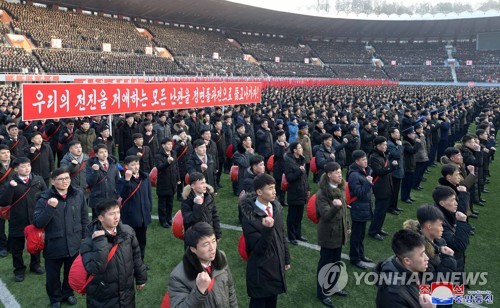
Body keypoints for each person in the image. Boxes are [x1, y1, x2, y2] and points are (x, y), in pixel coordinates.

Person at [33, 168, 89, 308]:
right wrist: (50, 208)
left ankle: (68, 293)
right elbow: (38, 222)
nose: (65, 182)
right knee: (53, 276)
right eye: (61, 179)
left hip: (74, 242)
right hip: (53, 244)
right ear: (53, 181)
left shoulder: (78, 194)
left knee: (71, 272)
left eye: (67, 178)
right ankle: (55, 298)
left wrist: (84, 237)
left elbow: (84, 218)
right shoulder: (44, 198)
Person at [80, 199, 147, 307]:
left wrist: (141, 278)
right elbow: (95, 269)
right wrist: (100, 240)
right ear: (101, 218)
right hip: (103, 298)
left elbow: (136, 256)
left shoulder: (128, 232)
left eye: (118, 212)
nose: (116, 217)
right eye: (111, 214)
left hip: (127, 295)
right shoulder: (89, 241)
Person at [239, 173, 290, 308]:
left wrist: (286, 257)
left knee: (272, 302)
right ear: (259, 192)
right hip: (260, 270)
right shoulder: (249, 218)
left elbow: (281, 234)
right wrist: (267, 229)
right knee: (259, 303)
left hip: (276, 266)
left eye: (274, 188)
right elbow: (258, 248)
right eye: (270, 188)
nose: (274, 191)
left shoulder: (276, 207)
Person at [168, 222, 238, 307]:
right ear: (193, 249)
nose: (212, 248)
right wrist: (199, 291)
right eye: (206, 244)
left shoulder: (221, 256)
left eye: (213, 241)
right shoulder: (178, 276)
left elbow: (230, 290)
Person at [0, 157, 47, 282]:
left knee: (36, 244)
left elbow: (46, 195)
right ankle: (19, 270)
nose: (27, 168)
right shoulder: (10, 183)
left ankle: (35, 265)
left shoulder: (38, 180)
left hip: (35, 219)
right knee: (17, 248)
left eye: (28, 165)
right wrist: (10, 187)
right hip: (17, 220)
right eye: (23, 166)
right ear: (16, 169)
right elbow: (3, 202)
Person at [315, 162, 350, 307]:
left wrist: (347, 226)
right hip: (328, 235)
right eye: (336, 172)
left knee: (336, 263)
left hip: (339, 233)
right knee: (326, 264)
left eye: (340, 172)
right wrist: (335, 207)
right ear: (329, 174)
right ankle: (322, 293)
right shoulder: (322, 193)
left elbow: (345, 212)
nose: (340, 174)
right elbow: (326, 215)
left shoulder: (340, 188)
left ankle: (333, 286)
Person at [375, 229, 434, 308]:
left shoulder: (412, 268)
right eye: (422, 254)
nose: (427, 258)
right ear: (407, 260)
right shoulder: (392, 296)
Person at [405, 204, 457, 287]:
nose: (442, 229)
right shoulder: (422, 252)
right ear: (429, 226)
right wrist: (449, 258)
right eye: (440, 225)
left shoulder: (439, 242)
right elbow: (437, 285)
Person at [117, 155, 153, 263]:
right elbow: (123, 194)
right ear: (127, 167)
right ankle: (130, 263)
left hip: (143, 215)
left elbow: (149, 194)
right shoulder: (121, 180)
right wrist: (127, 180)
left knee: (142, 241)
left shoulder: (145, 177)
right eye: (133, 165)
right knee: (130, 242)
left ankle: (140, 262)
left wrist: (148, 208)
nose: (136, 167)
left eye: (137, 164)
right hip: (130, 216)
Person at [432, 185, 471, 283]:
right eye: (453, 200)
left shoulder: (444, 212)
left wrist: (464, 194)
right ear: (442, 203)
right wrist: (462, 223)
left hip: (455, 264)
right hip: (449, 269)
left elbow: (459, 212)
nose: (456, 203)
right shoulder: (439, 221)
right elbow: (459, 245)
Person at [347, 150, 374, 270]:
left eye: (366, 159)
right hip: (358, 207)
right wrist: (368, 183)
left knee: (361, 234)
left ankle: (361, 255)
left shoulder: (363, 171)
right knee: (356, 235)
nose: (366, 161)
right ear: (357, 161)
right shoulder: (354, 175)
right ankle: (355, 258)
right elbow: (358, 192)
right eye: (363, 160)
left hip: (364, 207)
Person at [368, 136, 398, 241]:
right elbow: (379, 172)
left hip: (386, 185)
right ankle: (373, 231)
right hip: (380, 187)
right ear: (377, 146)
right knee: (379, 211)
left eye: (385, 144)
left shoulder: (383, 154)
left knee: (383, 210)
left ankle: (378, 228)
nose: (385, 146)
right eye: (383, 145)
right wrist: (391, 167)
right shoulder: (374, 157)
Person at [181, 172, 221, 242]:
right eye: (202, 183)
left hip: (209, 235)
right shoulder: (187, 201)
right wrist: (197, 205)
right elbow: (189, 221)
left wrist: (217, 234)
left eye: (205, 182)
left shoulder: (209, 197)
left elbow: (214, 216)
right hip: (194, 239)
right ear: (193, 186)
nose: (205, 185)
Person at [284, 141, 310, 245]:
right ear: (294, 150)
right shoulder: (288, 162)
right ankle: (291, 236)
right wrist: (299, 171)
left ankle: (298, 234)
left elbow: (305, 178)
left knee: (299, 216)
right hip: (294, 192)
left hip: (302, 192)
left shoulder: (301, 160)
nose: (301, 149)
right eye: (299, 148)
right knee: (292, 216)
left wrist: (307, 189)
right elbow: (289, 178)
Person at [86, 144, 120, 220]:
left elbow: (117, 181)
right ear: (96, 154)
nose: (104, 154)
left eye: (105, 151)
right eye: (101, 152)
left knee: (111, 220)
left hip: (112, 198)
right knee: (97, 221)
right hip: (97, 199)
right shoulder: (90, 165)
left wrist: (117, 194)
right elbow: (90, 182)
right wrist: (95, 172)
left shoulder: (113, 164)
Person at [155, 137, 180, 228]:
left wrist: (178, 178)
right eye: (168, 144)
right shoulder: (158, 156)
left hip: (172, 182)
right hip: (163, 183)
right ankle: (162, 220)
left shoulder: (173, 153)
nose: (170, 146)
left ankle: (169, 218)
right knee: (162, 204)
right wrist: (167, 162)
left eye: (171, 144)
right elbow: (160, 167)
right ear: (163, 145)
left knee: (170, 203)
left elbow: (176, 166)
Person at [0, 144, 15, 257]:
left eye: (8, 152)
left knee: (13, 223)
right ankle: (2, 246)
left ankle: (11, 245)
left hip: (14, 197)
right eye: (3, 153)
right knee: (0, 225)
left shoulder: (16, 164)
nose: (7, 154)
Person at [387, 127, 404, 215]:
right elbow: (397, 155)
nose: (398, 134)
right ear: (392, 134)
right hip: (394, 171)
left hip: (398, 169)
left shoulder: (395, 143)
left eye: (398, 133)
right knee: (393, 190)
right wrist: (400, 146)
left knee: (397, 190)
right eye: (396, 133)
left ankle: (395, 206)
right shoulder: (390, 144)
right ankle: (390, 207)